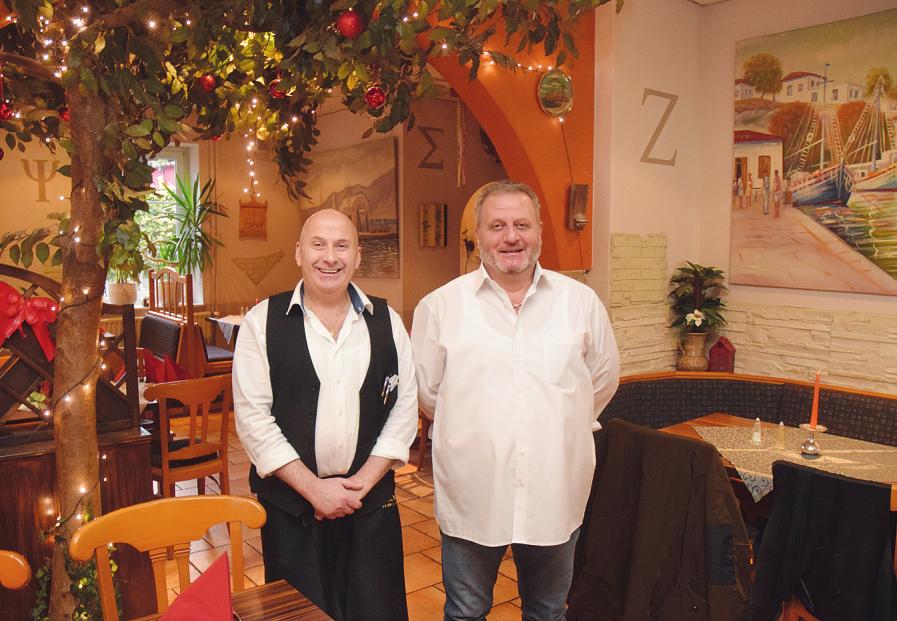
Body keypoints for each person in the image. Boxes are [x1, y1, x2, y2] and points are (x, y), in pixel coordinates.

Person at [411, 180, 621, 621]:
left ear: (540, 231)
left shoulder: (580, 303)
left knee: (547, 612)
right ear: (478, 235)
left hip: (554, 490)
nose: (511, 237)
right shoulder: (439, 308)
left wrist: (558, 423)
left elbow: (601, 382)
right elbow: (429, 394)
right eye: (498, 225)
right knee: (466, 611)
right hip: (474, 491)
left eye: (522, 224)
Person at [232, 209, 418, 621]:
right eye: (318, 244)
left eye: (341, 246)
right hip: (291, 511)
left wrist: (362, 484)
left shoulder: (388, 321)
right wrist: (315, 490)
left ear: (357, 255)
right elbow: (254, 420)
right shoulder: (261, 322)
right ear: (299, 252)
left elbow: (404, 408)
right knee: (301, 615)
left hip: (369, 507)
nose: (329, 257)